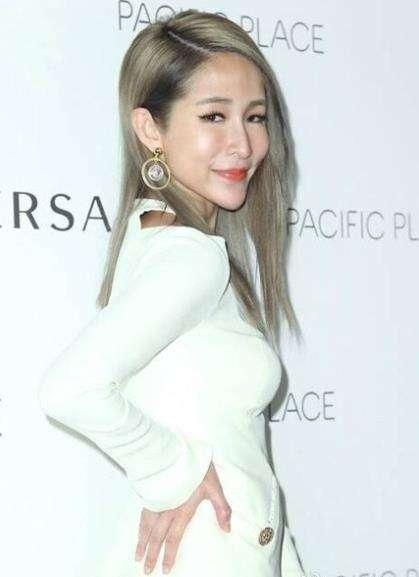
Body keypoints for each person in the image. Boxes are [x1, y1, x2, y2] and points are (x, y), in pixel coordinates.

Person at [37, 9, 306, 577]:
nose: (243, 143)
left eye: (255, 117)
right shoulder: (192, 256)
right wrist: (172, 472)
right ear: (149, 129)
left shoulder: (153, 232)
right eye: (214, 116)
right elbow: (69, 389)